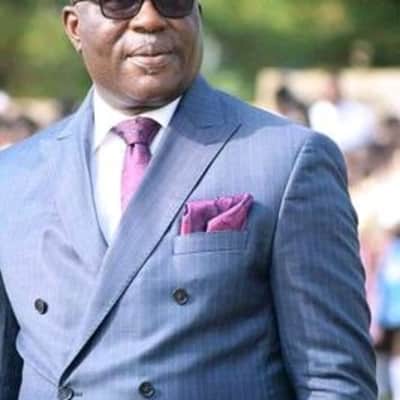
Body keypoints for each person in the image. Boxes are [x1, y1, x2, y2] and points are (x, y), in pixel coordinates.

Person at [0, 1, 376, 399]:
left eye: (173, 0)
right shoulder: (14, 176)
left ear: (198, 14)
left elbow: (333, 380)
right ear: (75, 27)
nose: (149, 19)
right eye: (120, 3)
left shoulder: (286, 159)